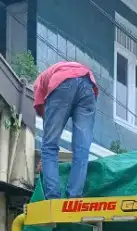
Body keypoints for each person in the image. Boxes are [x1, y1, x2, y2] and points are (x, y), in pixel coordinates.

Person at [33, 61, 98, 201]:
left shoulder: (39, 82)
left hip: (62, 82)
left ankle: (53, 197)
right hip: (88, 84)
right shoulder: (55, 70)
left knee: (49, 146)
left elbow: (46, 120)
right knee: (82, 149)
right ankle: (74, 195)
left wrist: (45, 160)